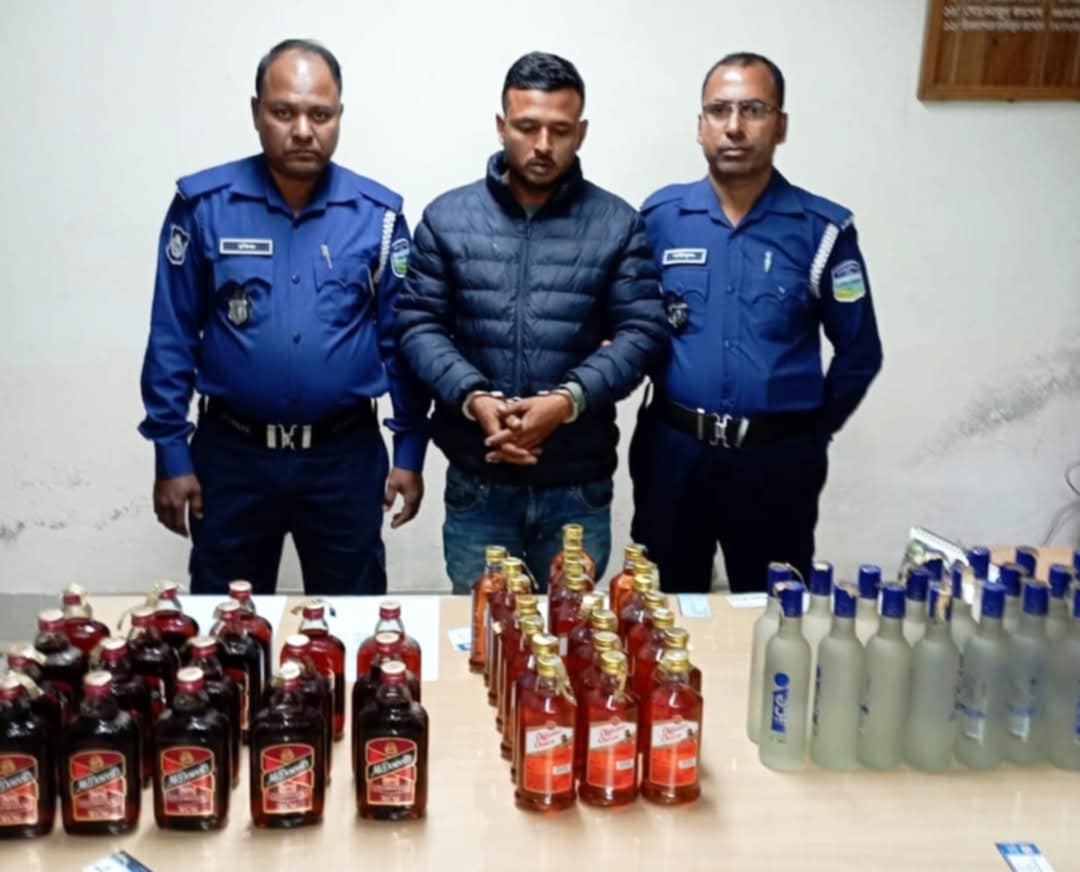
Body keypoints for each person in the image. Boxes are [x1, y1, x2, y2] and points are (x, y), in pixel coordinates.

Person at [138, 39, 429, 595]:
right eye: (283, 112)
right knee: (226, 624)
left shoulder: (379, 218)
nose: (302, 130)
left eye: (320, 115)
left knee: (353, 622)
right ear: (256, 112)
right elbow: (172, 335)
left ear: (339, 116)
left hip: (343, 460)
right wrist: (170, 453)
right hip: (233, 458)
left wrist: (409, 451)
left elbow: (402, 343)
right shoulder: (204, 208)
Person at [395, 51, 668, 593]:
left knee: (572, 634)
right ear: (502, 126)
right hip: (480, 479)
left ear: (581, 132)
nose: (543, 144)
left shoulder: (617, 223)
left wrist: (566, 401)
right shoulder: (447, 219)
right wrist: (474, 399)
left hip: (576, 485)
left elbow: (642, 332)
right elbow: (417, 325)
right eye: (527, 127)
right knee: (483, 630)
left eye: (560, 130)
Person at [630, 52, 883, 593]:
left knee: (771, 613)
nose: (735, 126)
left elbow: (860, 352)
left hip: (776, 464)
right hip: (673, 454)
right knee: (661, 608)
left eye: (754, 109)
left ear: (781, 125)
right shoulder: (660, 219)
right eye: (719, 110)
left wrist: (809, 433)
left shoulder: (821, 229)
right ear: (700, 125)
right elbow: (631, 325)